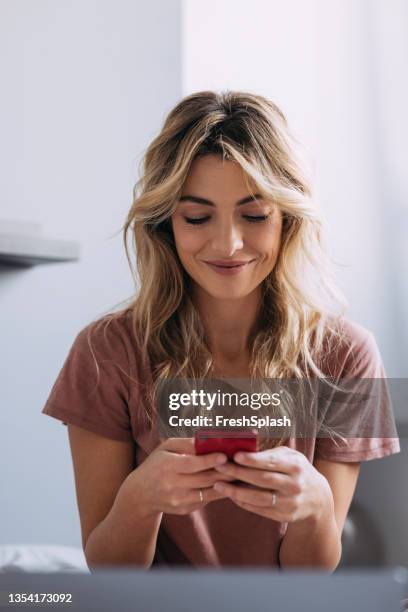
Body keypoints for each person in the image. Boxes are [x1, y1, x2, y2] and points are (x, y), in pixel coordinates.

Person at [42, 90, 400, 571]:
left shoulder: (346, 354)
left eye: (254, 216)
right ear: (166, 223)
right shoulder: (107, 351)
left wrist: (315, 506)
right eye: (197, 217)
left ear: (287, 220)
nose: (229, 244)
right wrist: (140, 499)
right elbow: (110, 572)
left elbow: (311, 576)